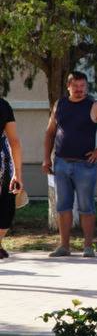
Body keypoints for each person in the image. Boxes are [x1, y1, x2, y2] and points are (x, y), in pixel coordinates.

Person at [42, 71, 97, 258]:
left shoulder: (93, 106)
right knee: (63, 206)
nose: (79, 89)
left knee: (86, 206)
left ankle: (88, 247)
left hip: (85, 165)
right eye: (75, 86)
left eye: (82, 86)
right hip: (61, 163)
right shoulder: (59, 105)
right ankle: (64, 246)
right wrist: (46, 158)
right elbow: (50, 133)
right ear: (68, 86)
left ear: (86, 86)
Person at [0, 95, 21, 260]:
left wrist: (17, 173)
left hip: (3, 163)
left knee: (7, 208)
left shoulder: (3, 105)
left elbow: (14, 141)